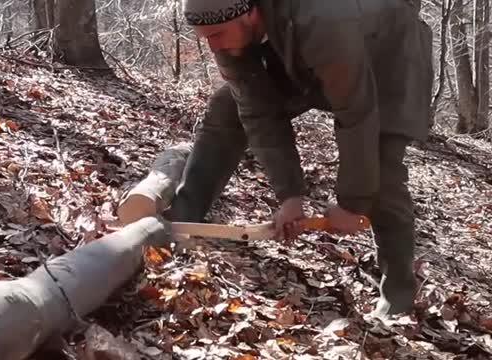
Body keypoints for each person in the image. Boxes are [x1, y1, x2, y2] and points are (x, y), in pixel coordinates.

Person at [165, 0, 434, 319]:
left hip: (389, 58)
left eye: (218, 35)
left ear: (249, 13)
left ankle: (398, 296)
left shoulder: (322, 18)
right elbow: (257, 114)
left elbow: (356, 114)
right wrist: (289, 196)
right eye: (204, 37)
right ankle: (182, 216)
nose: (213, 46)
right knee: (228, 109)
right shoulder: (225, 24)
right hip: (307, 52)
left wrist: (353, 203)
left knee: (383, 169)